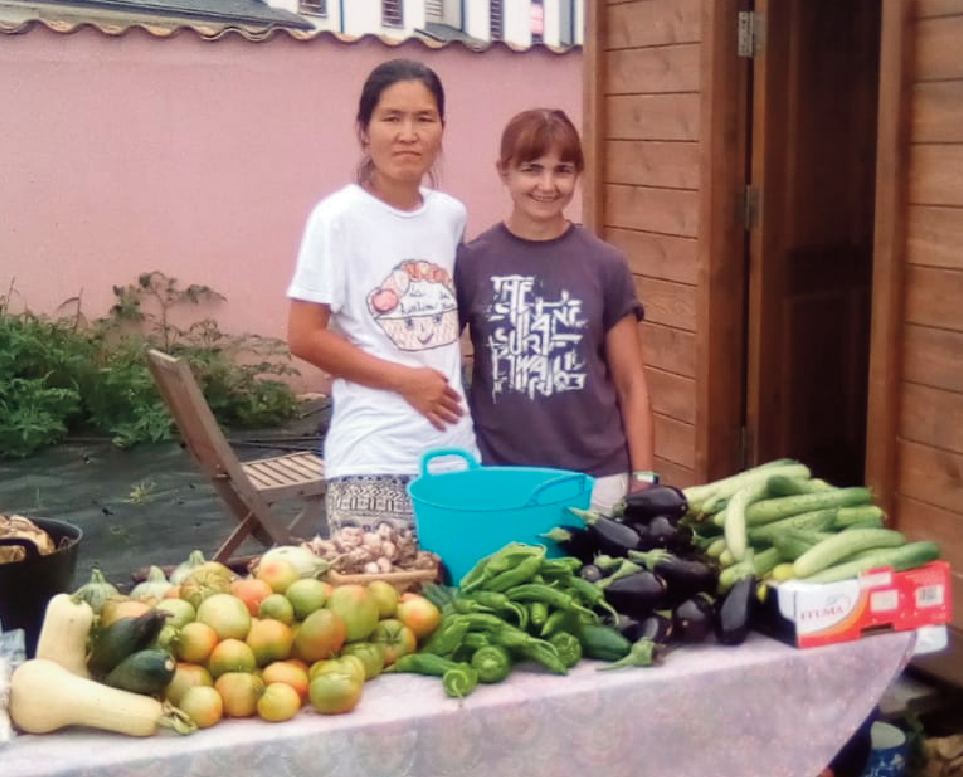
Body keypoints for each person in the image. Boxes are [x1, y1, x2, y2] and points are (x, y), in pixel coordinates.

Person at [286, 58, 478, 540]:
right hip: (372, 456)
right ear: (364, 131)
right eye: (391, 118)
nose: (408, 134)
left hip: (454, 456)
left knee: (459, 608)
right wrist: (405, 381)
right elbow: (304, 337)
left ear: (442, 130)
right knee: (382, 609)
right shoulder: (337, 219)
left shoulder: (450, 217)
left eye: (423, 119)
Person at [455, 108, 655, 514]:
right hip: (501, 476)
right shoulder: (471, 262)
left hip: (594, 480)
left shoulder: (604, 264)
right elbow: (437, 361)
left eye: (562, 170)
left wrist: (644, 478)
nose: (547, 185)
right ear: (504, 172)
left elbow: (632, 382)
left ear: (577, 175)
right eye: (532, 169)